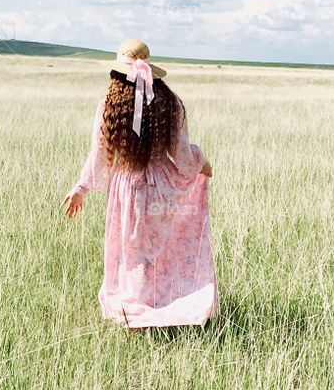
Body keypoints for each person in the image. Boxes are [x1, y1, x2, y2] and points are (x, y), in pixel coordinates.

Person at [62, 39, 218, 328]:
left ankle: (137, 310)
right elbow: (182, 154)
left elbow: (100, 155)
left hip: (127, 187)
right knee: (164, 249)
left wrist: (82, 188)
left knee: (132, 253)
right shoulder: (168, 102)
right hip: (163, 184)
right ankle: (166, 304)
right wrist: (200, 161)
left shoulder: (109, 105)